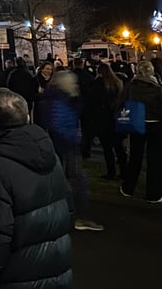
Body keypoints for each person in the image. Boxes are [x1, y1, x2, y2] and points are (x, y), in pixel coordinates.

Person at [0, 89, 73, 288]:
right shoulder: (51, 156)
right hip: (57, 269)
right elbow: (68, 210)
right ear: (27, 117)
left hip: (15, 278)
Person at [34, 70, 103, 231]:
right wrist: (74, 139)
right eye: (72, 82)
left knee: (70, 182)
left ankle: (69, 215)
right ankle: (75, 217)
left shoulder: (63, 99)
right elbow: (57, 124)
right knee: (75, 181)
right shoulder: (58, 101)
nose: (75, 85)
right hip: (65, 146)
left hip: (66, 144)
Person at [120, 61, 162, 203]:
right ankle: (154, 194)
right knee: (155, 159)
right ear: (151, 71)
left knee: (135, 157)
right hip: (156, 125)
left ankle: (128, 188)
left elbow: (121, 103)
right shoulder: (157, 87)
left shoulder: (131, 86)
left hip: (137, 124)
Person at [90, 63, 127, 180]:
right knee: (119, 147)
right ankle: (124, 171)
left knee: (107, 148)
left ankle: (111, 172)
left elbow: (94, 103)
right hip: (117, 118)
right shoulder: (118, 83)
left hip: (103, 120)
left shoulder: (97, 84)